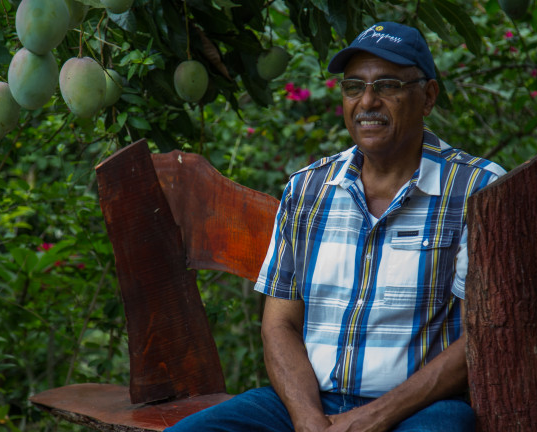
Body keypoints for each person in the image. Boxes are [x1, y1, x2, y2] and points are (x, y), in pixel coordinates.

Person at [166, 22, 505, 432]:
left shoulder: (478, 189)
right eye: (353, 87)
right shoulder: (308, 189)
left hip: (419, 409)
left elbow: (480, 337)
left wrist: (371, 418)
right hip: (308, 402)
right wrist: (308, 419)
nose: (368, 102)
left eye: (388, 85)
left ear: (428, 96)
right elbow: (280, 324)